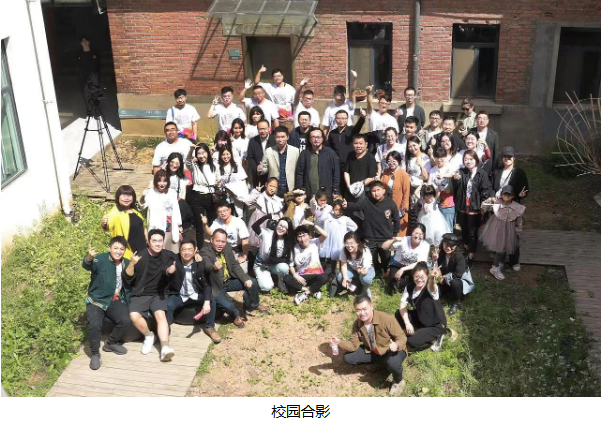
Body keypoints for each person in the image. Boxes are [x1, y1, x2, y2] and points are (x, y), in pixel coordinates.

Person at [334, 295, 408, 395]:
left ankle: (398, 381)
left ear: (371, 307)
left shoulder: (386, 319)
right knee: (348, 357)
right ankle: (383, 363)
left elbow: (402, 337)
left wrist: (396, 344)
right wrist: (339, 342)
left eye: (365, 309)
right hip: (374, 351)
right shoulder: (357, 324)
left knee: (392, 363)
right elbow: (353, 345)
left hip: (392, 350)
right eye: (358, 310)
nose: (362, 313)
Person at [124, 229, 177, 362]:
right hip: (141, 292)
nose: (158, 244)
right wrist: (132, 264)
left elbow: (182, 258)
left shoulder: (168, 256)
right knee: (134, 315)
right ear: (148, 242)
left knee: (160, 315)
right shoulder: (140, 256)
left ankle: (165, 347)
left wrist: (170, 271)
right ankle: (149, 335)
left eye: (160, 241)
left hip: (159, 293)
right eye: (154, 241)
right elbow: (128, 278)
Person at [200, 229, 268, 328]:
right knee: (230, 306)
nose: (220, 244)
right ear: (211, 240)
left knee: (252, 282)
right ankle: (234, 315)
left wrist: (245, 278)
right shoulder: (205, 251)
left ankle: (252, 305)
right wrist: (213, 267)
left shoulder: (227, 247)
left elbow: (234, 265)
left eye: (223, 241)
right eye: (217, 241)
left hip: (229, 281)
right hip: (217, 287)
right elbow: (206, 265)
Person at [83, 237, 131, 370]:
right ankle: (95, 354)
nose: (118, 251)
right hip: (97, 300)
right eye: (115, 248)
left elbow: (132, 278)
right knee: (95, 324)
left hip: (113, 299)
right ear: (110, 248)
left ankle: (111, 343)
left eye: (121, 249)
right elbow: (87, 265)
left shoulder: (126, 263)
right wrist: (89, 258)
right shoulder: (100, 259)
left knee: (125, 320)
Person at [166, 240, 221, 344]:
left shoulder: (199, 262)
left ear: (195, 251)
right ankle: (165, 331)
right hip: (180, 295)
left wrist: (206, 302)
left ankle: (210, 327)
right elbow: (164, 259)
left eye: (190, 249)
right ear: (179, 251)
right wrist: (168, 271)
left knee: (211, 301)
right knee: (169, 305)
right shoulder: (174, 260)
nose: (187, 252)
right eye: (184, 249)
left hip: (195, 294)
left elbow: (206, 284)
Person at [344, 181, 401, 275]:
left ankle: (386, 272)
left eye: (378, 190)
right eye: (373, 191)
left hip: (385, 237)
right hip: (370, 237)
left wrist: (395, 233)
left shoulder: (390, 203)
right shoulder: (366, 202)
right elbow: (356, 206)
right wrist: (348, 205)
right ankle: (376, 273)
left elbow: (396, 219)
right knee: (372, 258)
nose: (376, 193)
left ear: (383, 191)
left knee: (386, 258)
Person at [452, 150, 493, 268]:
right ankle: (466, 247)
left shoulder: (482, 174)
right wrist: (455, 180)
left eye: (471, 159)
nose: (468, 161)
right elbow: (456, 188)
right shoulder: (461, 172)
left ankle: (471, 254)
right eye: (466, 159)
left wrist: (483, 204)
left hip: (474, 208)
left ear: (476, 160)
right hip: (462, 207)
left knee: (472, 232)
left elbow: (486, 190)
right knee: (463, 229)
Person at [394, 262, 449, 352]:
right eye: (417, 276)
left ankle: (435, 338)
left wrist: (432, 278)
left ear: (427, 276)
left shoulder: (430, 288)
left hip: (436, 324)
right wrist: (407, 323)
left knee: (411, 342)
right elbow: (402, 305)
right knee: (398, 314)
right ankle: (418, 331)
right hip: (421, 317)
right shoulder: (409, 287)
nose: (419, 280)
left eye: (422, 277)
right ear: (413, 276)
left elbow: (432, 286)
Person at [481, 185, 526, 280]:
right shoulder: (497, 203)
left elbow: (519, 221)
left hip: (510, 230)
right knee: (500, 248)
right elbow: (484, 206)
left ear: (513, 196)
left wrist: (518, 231)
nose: (507, 196)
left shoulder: (516, 207)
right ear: (501, 195)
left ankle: (499, 264)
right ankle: (495, 267)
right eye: (505, 194)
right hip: (497, 228)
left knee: (506, 247)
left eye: (509, 195)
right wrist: (489, 200)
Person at [283, 221, 329, 305]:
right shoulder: (295, 249)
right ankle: (313, 289)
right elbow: (291, 265)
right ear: (297, 238)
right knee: (286, 278)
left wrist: (312, 224)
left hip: (315, 275)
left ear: (309, 235)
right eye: (299, 236)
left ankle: (305, 293)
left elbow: (325, 235)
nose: (302, 239)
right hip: (302, 277)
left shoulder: (315, 242)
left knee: (324, 277)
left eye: (304, 235)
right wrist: (295, 275)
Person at [314, 196, 358, 279]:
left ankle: (337, 274)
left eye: (340, 210)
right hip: (328, 242)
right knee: (327, 259)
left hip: (339, 242)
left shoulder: (345, 219)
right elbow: (320, 219)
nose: (338, 212)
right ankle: (325, 274)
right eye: (336, 209)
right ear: (333, 209)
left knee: (339, 259)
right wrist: (323, 210)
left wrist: (346, 233)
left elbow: (354, 227)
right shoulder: (328, 217)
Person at [141, 170, 182, 253]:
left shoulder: (172, 193)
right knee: (158, 250)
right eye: (159, 181)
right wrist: (143, 196)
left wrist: (179, 225)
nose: (162, 184)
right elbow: (142, 207)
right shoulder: (151, 192)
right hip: (156, 227)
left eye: (164, 181)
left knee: (172, 250)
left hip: (169, 225)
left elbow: (176, 209)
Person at [432, 233, 475, 315]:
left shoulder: (459, 257)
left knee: (454, 283)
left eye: (451, 246)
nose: (448, 248)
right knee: (434, 291)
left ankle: (456, 302)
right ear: (443, 243)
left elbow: (458, 274)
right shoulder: (441, 254)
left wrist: (444, 278)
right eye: (446, 245)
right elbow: (437, 270)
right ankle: (445, 294)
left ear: (455, 246)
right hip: (446, 280)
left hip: (460, 281)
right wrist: (435, 260)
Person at [101, 185, 147, 259]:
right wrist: (104, 223)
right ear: (118, 197)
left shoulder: (135, 211)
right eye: (123, 195)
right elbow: (107, 225)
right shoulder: (115, 212)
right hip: (128, 253)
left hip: (143, 250)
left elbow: (142, 227)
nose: (126, 198)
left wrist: (148, 240)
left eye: (129, 195)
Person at [187, 143, 219, 248]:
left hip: (211, 197)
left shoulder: (214, 165)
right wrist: (191, 150)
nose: (201, 156)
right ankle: (200, 248)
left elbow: (219, 178)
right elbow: (187, 161)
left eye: (203, 153)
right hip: (197, 197)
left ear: (208, 153)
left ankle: (214, 247)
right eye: (198, 153)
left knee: (213, 223)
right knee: (199, 225)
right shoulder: (194, 165)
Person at [251, 216, 295, 292]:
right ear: (277, 224)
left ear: (287, 230)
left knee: (284, 267)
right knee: (267, 287)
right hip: (261, 265)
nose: (281, 228)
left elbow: (288, 260)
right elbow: (254, 226)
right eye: (280, 225)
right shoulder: (267, 233)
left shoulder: (287, 241)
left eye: (284, 227)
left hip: (273, 265)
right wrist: (267, 216)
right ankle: (263, 277)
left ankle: (281, 283)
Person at [382, 224, 431, 293]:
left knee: (423, 282)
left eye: (421, 234)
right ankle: (407, 283)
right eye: (416, 233)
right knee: (393, 286)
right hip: (398, 264)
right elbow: (384, 247)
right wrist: (393, 240)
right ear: (411, 233)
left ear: (424, 235)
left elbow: (420, 263)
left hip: (413, 267)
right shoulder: (404, 240)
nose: (417, 236)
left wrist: (403, 269)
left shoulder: (425, 245)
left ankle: (409, 283)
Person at [203, 200, 250, 271]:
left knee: (243, 271)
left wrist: (244, 256)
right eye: (220, 212)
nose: (223, 213)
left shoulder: (239, 222)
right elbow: (210, 233)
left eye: (225, 211)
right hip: (221, 250)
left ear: (230, 210)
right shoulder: (217, 221)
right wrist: (205, 224)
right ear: (217, 213)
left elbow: (245, 240)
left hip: (236, 251)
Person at [295, 127, 341, 198]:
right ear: (309, 139)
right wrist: (300, 189)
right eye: (313, 137)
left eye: (318, 137)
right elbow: (299, 173)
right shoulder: (304, 154)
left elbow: (336, 173)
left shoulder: (330, 153)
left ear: (322, 138)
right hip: (309, 193)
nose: (316, 139)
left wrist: (335, 190)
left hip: (326, 194)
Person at [259, 126, 300, 197]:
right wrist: (261, 169)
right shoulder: (269, 151)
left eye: (283, 137)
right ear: (275, 137)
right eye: (278, 137)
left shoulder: (295, 151)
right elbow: (265, 168)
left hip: (290, 187)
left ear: (287, 137)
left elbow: (299, 170)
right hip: (274, 188)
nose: (280, 139)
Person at [331, 232, 375, 298]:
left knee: (366, 279)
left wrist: (361, 272)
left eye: (352, 243)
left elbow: (365, 271)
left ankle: (365, 289)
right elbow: (343, 264)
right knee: (340, 277)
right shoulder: (344, 250)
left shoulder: (364, 250)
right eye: (347, 243)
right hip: (353, 269)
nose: (349, 246)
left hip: (365, 270)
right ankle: (355, 289)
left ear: (357, 243)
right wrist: (345, 278)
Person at [245, 177, 285, 250]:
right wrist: (256, 192)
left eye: (275, 187)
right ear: (266, 185)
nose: (272, 188)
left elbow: (280, 213)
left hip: (272, 224)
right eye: (271, 186)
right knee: (258, 244)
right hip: (260, 222)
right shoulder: (259, 196)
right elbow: (248, 202)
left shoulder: (278, 200)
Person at [327, 109, 366, 180]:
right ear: (335, 119)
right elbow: (329, 149)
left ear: (347, 119)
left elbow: (358, 127)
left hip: (350, 165)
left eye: (343, 118)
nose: (341, 120)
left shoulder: (352, 130)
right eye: (338, 118)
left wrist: (362, 118)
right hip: (337, 166)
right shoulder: (332, 133)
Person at [165, 152, 195, 242]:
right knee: (167, 230)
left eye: (177, 163)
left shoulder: (182, 177)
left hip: (178, 206)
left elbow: (183, 193)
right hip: (165, 206)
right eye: (172, 162)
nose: (174, 165)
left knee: (178, 231)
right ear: (168, 162)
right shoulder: (163, 175)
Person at [380, 151, 410, 236]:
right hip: (387, 204)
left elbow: (406, 192)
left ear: (399, 161)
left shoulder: (404, 174)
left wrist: (403, 208)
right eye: (389, 161)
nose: (391, 163)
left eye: (394, 161)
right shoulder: (385, 172)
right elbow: (382, 187)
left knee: (399, 231)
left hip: (399, 205)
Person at [216, 145, 249, 218]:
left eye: (227, 154)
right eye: (223, 154)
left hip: (239, 196)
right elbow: (218, 182)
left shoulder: (236, 165)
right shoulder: (219, 168)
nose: (225, 157)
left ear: (231, 154)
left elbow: (243, 178)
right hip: (226, 197)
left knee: (241, 216)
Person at [427, 148, 456, 231]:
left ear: (446, 157)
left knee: (448, 227)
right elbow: (429, 184)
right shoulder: (433, 170)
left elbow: (453, 175)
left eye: (441, 157)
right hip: (436, 202)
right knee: (438, 228)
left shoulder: (450, 167)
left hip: (448, 203)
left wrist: (443, 175)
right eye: (437, 157)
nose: (439, 160)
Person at [344, 134, 378, 202]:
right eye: (356, 143)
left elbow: (372, 177)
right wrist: (349, 186)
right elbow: (346, 172)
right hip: (351, 190)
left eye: (360, 143)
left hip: (364, 192)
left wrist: (359, 186)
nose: (358, 146)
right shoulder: (350, 155)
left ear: (366, 144)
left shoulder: (370, 158)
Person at [246, 119, 276, 188]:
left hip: (272, 175)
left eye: (264, 129)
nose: (262, 131)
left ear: (269, 128)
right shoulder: (253, 141)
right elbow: (250, 158)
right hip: (258, 177)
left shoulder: (274, 140)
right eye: (260, 129)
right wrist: (256, 168)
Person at [77, 35, 100, 115]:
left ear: (89, 42)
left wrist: (96, 72)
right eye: (83, 41)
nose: (85, 42)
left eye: (86, 40)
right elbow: (78, 65)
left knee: (96, 92)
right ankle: (89, 110)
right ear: (81, 43)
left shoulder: (94, 52)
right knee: (86, 93)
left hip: (93, 75)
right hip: (84, 77)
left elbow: (98, 63)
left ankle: (96, 110)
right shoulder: (79, 53)